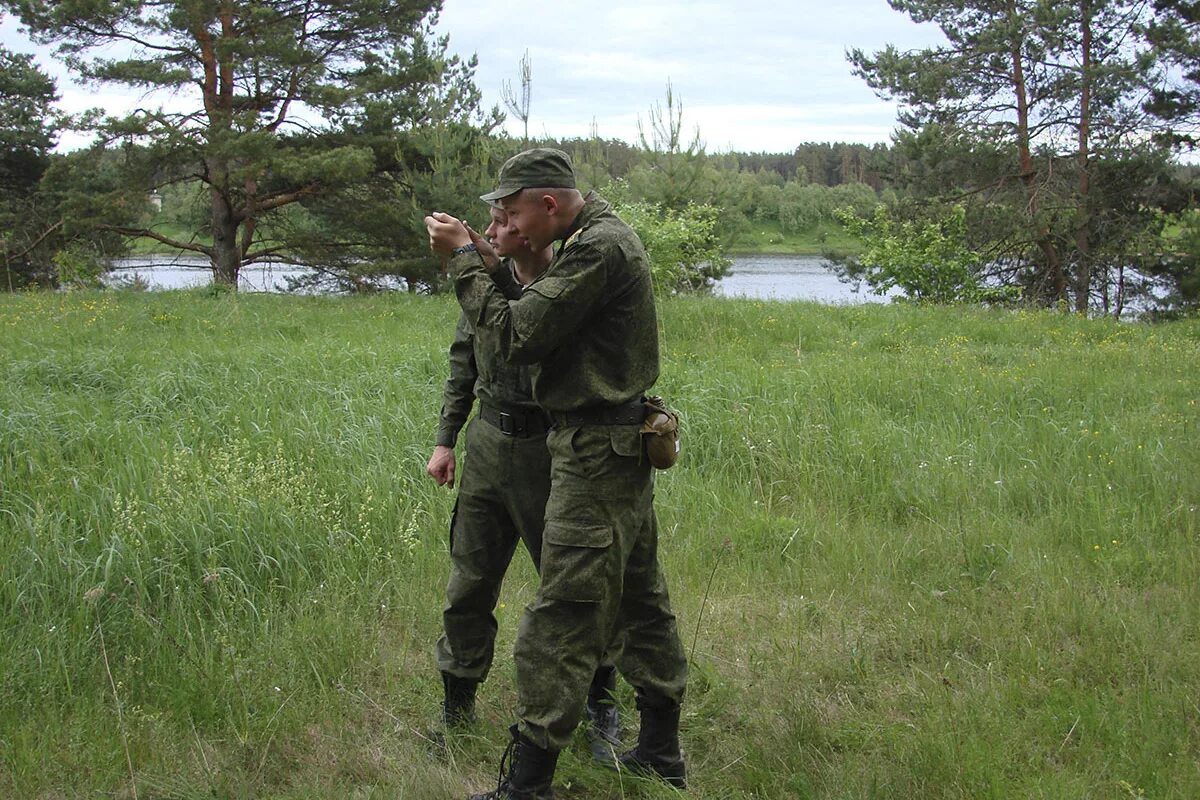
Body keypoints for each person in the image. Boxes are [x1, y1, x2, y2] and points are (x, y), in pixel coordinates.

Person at [426, 148, 689, 800]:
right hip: (610, 445)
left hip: (595, 452)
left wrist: (465, 258)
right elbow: (513, 316)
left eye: (511, 213)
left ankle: (528, 783)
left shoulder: (598, 248)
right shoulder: (590, 240)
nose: (503, 224)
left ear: (547, 205)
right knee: (637, 597)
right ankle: (660, 751)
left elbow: (517, 336)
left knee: (561, 616)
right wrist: (488, 259)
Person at [427, 204, 621, 756]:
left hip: (554, 450)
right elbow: (463, 361)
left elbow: (532, 336)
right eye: (490, 221)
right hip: (489, 445)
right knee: (469, 583)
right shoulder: (484, 285)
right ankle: (456, 707)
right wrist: (446, 441)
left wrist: (473, 263)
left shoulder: (567, 284)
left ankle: (600, 707)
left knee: (575, 589)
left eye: (502, 220)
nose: (490, 231)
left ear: (531, 230)